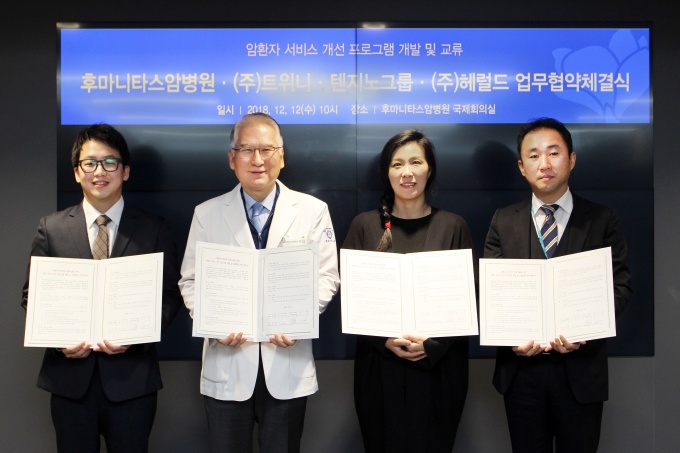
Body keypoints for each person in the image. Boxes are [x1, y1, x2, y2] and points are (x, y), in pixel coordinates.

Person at [179, 112, 340, 453]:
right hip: (227, 363)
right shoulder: (206, 213)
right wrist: (213, 324)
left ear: (281, 156)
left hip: (287, 362)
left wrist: (299, 319)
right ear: (231, 158)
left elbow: (326, 277)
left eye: (266, 149)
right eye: (246, 150)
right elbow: (190, 281)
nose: (257, 160)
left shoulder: (312, 210)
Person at [21, 124, 183, 452]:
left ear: (125, 171)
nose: (100, 171)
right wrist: (59, 341)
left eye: (110, 162)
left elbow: (169, 295)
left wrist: (136, 335)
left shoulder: (154, 229)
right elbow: (32, 296)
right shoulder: (51, 229)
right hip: (69, 382)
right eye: (90, 163)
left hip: (133, 381)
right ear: (76, 173)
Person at [484, 117, 632, 453]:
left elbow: (621, 287)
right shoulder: (503, 220)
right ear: (521, 167)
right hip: (521, 373)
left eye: (554, 153)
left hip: (581, 371)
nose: (545, 164)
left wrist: (585, 329)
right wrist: (511, 338)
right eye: (534, 155)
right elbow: (490, 294)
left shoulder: (602, 219)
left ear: (572, 159)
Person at [342, 129, 472, 453]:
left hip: (439, 369)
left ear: (430, 169)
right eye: (397, 164)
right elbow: (351, 298)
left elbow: (469, 299)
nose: (407, 172)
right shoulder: (364, 226)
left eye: (416, 162)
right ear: (387, 173)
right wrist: (384, 341)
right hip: (379, 367)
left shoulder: (453, 226)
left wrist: (432, 345)